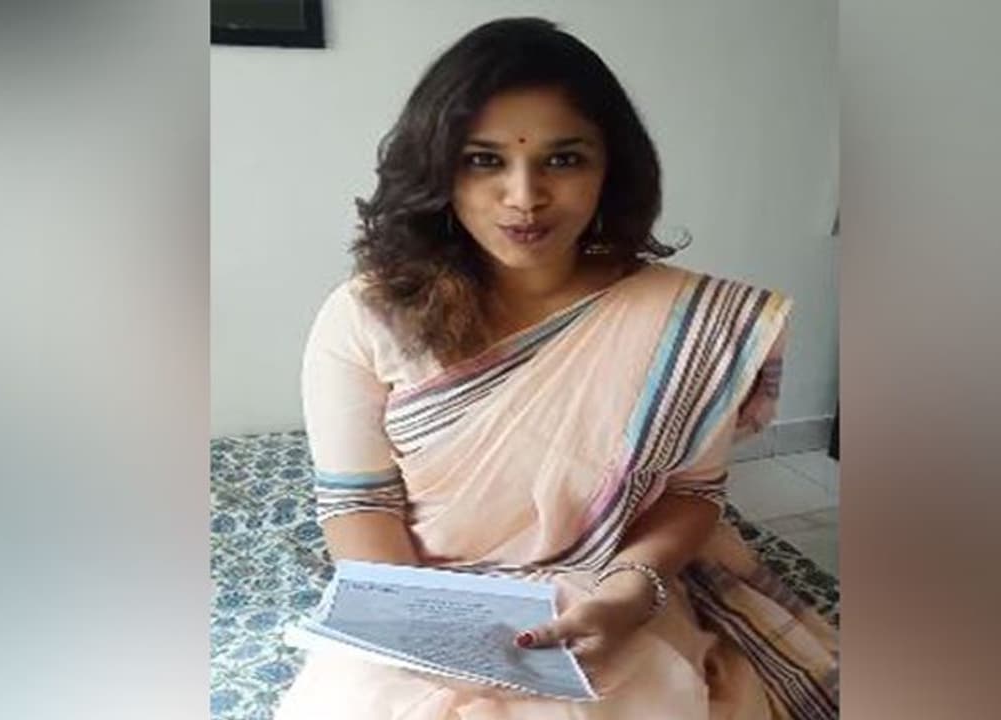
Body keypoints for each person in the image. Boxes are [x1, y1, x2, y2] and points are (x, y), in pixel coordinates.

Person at [277, 17, 838, 720]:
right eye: (483, 160)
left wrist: (633, 591)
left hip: (608, 588)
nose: (525, 196)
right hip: (418, 594)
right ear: (437, 169)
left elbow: (693, 492)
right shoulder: (368, 315)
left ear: (611, 169)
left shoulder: (696, 323)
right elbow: (359, 505)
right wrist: (426, 634)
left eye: (564, 159)